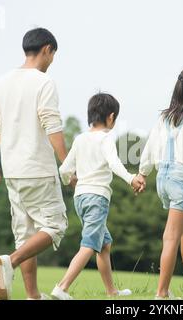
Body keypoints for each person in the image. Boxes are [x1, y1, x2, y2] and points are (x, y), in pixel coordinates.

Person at [0, 28, 71, 300]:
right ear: (47, 49)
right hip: (38, 170)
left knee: (26, 233)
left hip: (11, 171)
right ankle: (11, 260)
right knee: (55, 226)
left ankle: (33, 296)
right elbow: (52, 125)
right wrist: (66, 164)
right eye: (53, 55)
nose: (52, 61)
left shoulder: (2, 82)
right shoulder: (44, 82)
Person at [51, 93, 145, 300]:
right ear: (111, 117)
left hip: (80, 198)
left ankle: (111, 291)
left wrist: (71, 180)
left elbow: (64, 169)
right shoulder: (105, 139)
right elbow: (114, 163)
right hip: (97, 198)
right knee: (89, 245)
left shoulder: (80, 139)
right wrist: (130, 178)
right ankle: (62, 287)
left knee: (103, 244)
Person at [138, 68, 183, 299]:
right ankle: (161, 293)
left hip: (163, 182)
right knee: (171, 237)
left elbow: (149, 148)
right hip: (182, 182)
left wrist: (142, 173)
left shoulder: (165, 116)